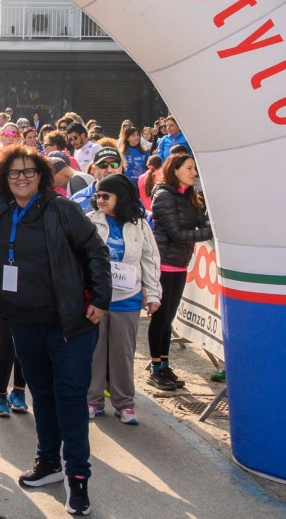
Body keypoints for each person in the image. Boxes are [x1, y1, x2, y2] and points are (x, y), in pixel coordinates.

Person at [0, 146, 110, 517]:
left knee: (69, 397)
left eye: (28, 171)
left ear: (41, 174)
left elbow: (95, 252)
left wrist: (101, 299)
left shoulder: (62, 209)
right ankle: (48, 463)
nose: (22, 177)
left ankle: (78, 477)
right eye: (14, 173)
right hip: (23, 321)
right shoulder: (0, 210)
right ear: (4, 179)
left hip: (70, 322)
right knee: (41, 394)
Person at [86, 174, 161, 425]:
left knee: (123, 354)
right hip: (96, 299)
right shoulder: (90, 221)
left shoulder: (139, 225)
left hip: (127, 299)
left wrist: (152, 294)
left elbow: (150, 260)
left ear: (121, 197)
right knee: (93, 353)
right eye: (98, 195)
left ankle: (125, 404)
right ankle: (92, 401)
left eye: (105, 195)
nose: (100, 200)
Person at [148, 152, 213, 391]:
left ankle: (164, 364)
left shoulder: (188, 196)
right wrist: (211, 233)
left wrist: (209, 226)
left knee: (168, 318)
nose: (194, 173)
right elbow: (176, 234)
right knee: (160, 317)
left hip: (180, 263)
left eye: (194, 168)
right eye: (189, 168)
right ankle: (155, 368)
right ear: (174, 169)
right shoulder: (165, 195)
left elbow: (201, 220)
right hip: (164, 264)